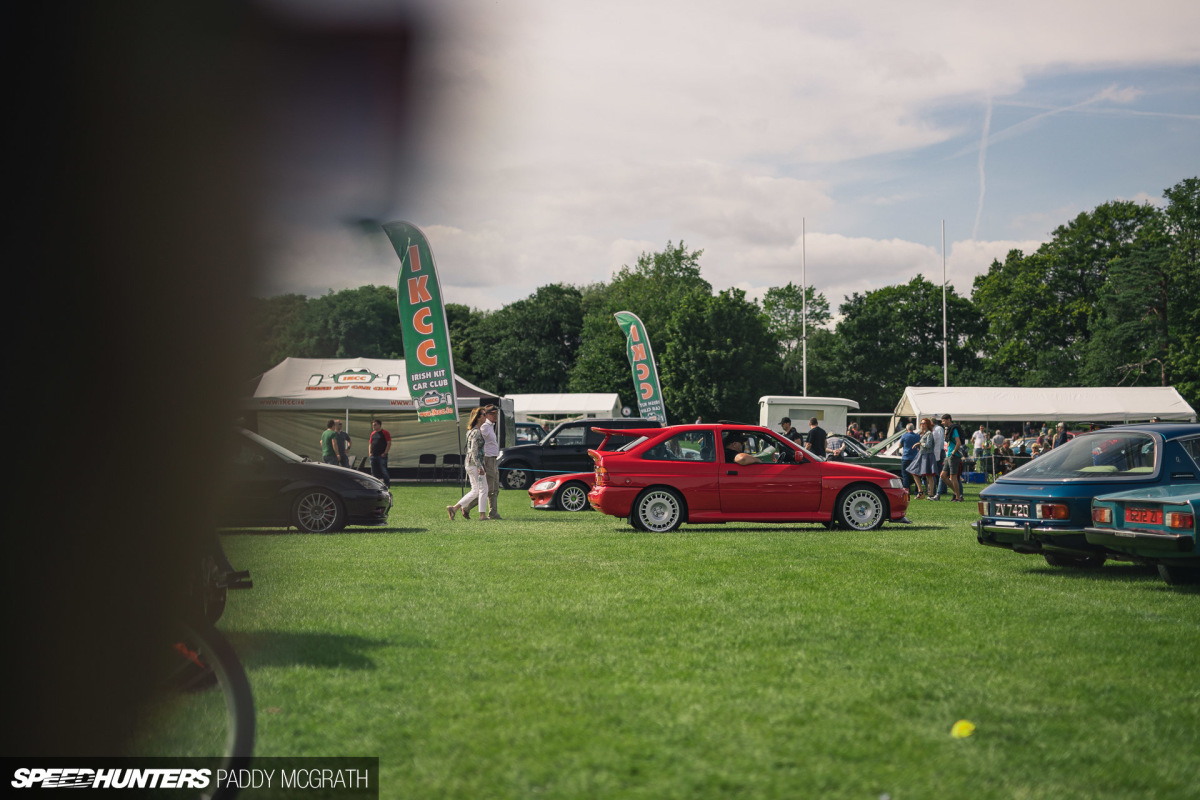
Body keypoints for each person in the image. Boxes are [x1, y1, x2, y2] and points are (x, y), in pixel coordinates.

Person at [447, 407, 490, 522]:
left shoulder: (470, 431)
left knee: (475, 490)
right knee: (483, 489)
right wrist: (480, 466)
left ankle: (454, 508)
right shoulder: (476, 432)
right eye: (484, 414)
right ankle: (482, 515)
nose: (486, 416)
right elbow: (474, 451)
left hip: (469, 463)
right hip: (475, 464)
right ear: (479, 417)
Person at [905, 418, 939, 499]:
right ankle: (921, 492)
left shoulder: (929, 433)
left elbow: (929, 445)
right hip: (921, 455)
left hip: (928, 455)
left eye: (923, 423)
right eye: (921, 423)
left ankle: (931, 494)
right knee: (913, 471)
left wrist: (919, 443)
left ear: (927, 424)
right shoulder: (922, 433)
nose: (922, 425)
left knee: (929, 475)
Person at [480, 405, 502, 519]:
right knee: (490, 488)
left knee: (495, 487)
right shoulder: (484, 427)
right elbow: (479, 444)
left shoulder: (490, 426)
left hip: (493, 458)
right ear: (486, 415)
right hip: (487, 458)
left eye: (496, 414)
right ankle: (466, 507)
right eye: (492, 414)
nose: (495, 416)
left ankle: (493, 512)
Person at [940, 413, 966, 502]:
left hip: (953, 456)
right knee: (943, 475)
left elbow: (958, 442)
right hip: (948, 455)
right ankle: (956, 493)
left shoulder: (954, 429)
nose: (942, 423)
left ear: (948, 420)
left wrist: (953, 453)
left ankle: (958, 497)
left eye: (943, 421)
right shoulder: (948, 429)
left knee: (953, 477)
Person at [899, 422, 921, 495]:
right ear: (913, 428)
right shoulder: (917, 436)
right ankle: (917, 490)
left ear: (906, 429)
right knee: (916, 475)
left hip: (905, 457)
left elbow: (899, 445)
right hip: (915, 457)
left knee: (905, 475)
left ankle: (907, 490)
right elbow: (919, 445)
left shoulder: (904, 436)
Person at [369, 419, 391, 485]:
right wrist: (370, 452)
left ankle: (387, 484)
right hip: (373, 455)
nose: (373, 426)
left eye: (375, 425)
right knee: (373, 472)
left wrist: (385, 453)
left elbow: (389, 443)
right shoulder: (372, 433)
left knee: (383, 471)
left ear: (379, 425)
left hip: (381, 456)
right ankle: (375, 485)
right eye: (373, 425)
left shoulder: (385, 432)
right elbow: (370, 443)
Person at [930, 417, 946, 500]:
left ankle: (942, 489)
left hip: (939, 452)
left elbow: (939, 442)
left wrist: (938, 454)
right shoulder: (937, 429)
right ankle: (940, 489)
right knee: (938, 471)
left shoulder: (938, 429)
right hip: (938, 452)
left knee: (940, 471)